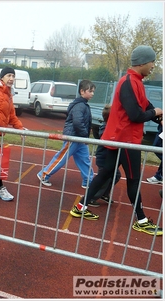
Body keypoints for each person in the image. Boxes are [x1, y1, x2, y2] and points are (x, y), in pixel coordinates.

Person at [70, 45, 163, 236]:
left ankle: (80, 206)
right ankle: (142, 220)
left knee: (105, 174)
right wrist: (155, 113)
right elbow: (136, 114)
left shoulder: (136, 81)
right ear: (143, 62)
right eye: (152, 61)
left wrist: (157, 115)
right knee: (133, 179)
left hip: (120, 138)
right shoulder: (129, 81)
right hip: (125, 140)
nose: (154, 65)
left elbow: (145, 105)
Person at [37, 80, 96, 188]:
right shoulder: (80, 105)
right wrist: (84, 135)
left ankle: (88, 180)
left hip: (80, 138)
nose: (92, 94)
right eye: (90, 91)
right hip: (74, 137)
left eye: (93, 91)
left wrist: (84, 137)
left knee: (85, 160)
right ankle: (44, 174)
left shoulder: (83, 105)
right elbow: (77, 122)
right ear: (82, 91)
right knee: (62, 158)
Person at [0, 66, 26, 201]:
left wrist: (20, 128)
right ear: (2, 77)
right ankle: (0, 188)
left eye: (13, 76)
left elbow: (11, 116)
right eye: (9, 75)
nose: (11, 79)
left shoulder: (8, 94)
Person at [88, 105, 121, 207]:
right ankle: (92, 198)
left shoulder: (112, 126)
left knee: (116, 176)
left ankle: (104, 194)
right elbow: (107, 137)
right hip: (104, 158)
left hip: (109, 158)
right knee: (104, 179)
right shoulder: (106, 128)